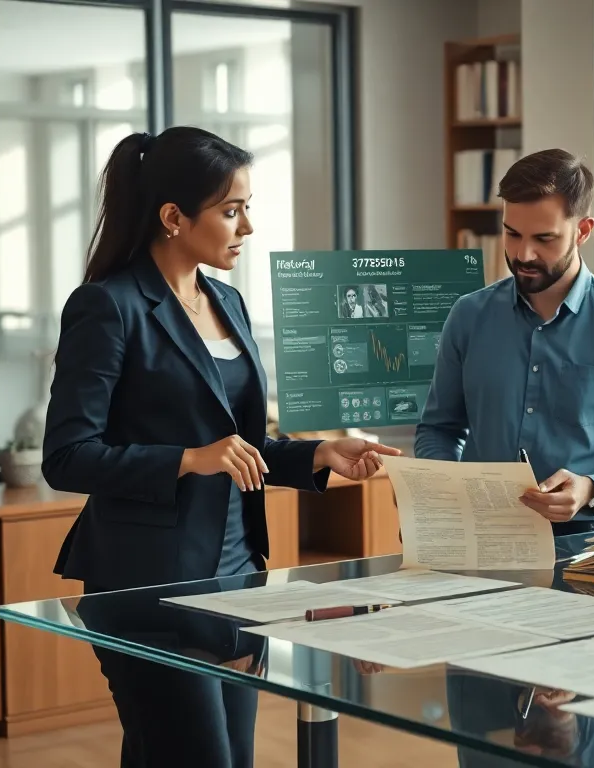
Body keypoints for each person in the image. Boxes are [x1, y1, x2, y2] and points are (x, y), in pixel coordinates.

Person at [41, 126, 399, 767]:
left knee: (208, 755)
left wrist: (317, 454)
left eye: (247, 208)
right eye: (232, 211)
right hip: (147, 586)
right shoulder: (107, 306)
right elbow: (67, 456)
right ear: (173, 217)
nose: (247, 228)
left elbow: (244, 442)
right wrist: (188, 458)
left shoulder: (227, 301)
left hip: (239, 579)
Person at [415, 148, 594, 536]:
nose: (524, 254)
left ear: (583, 231)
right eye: (512, 234)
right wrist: (436, 489)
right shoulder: (468, 315)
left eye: (544, 238)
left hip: (582, 547)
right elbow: (439, 429)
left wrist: (593, 488)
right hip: (478, 536)